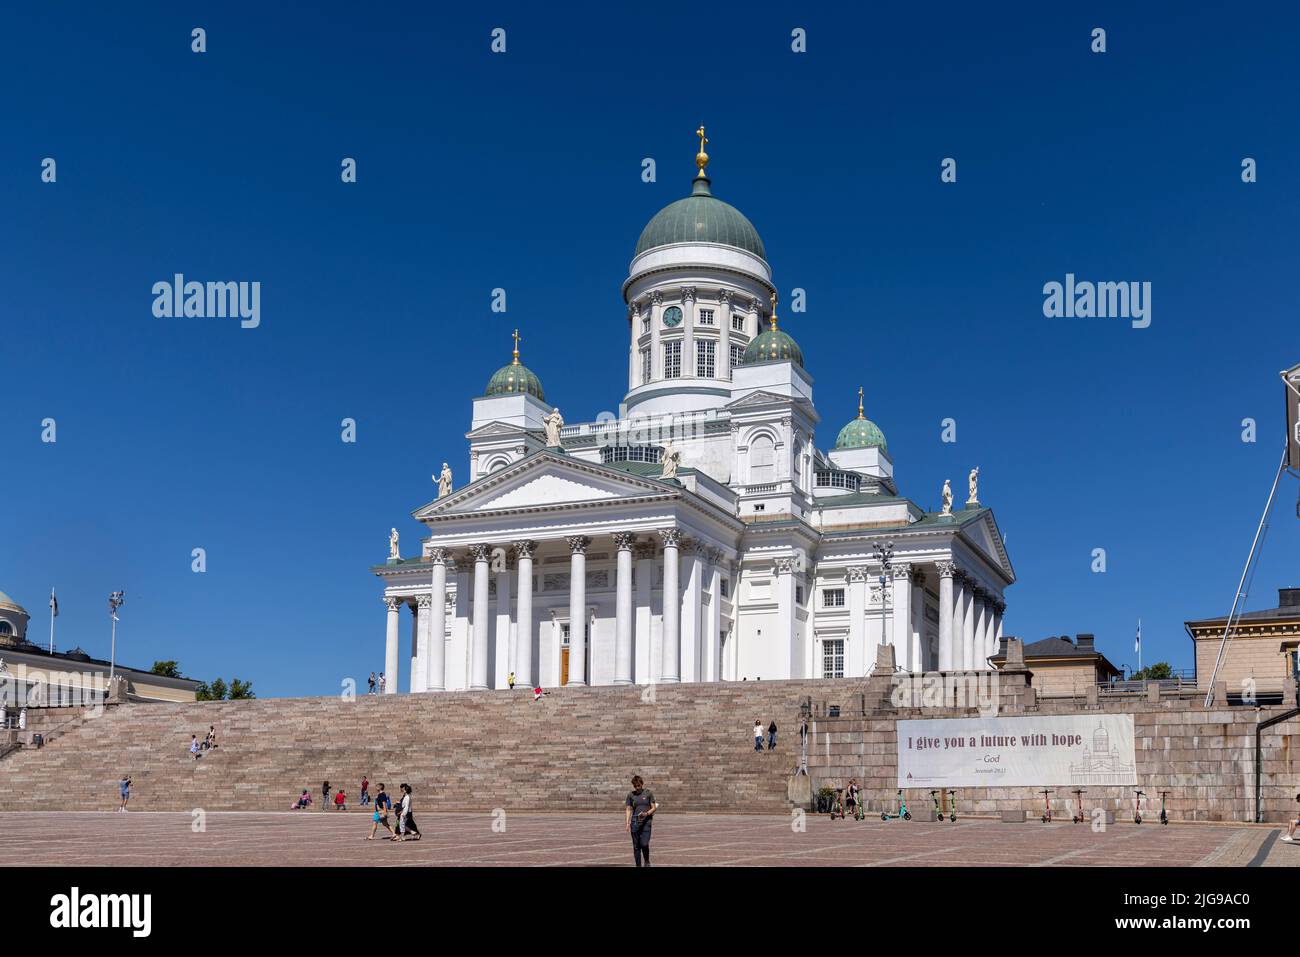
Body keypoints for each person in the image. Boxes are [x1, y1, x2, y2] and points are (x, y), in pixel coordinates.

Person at [625, 775, 658, 867]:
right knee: (636, 846)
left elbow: (654, 807)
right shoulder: (631, 795)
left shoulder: (648, 793)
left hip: (646, 822)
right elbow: (628, 809)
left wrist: (646, 814)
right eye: (635, 786)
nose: (637, 788)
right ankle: (638, 865)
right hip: (635, 822)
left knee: (644, 843)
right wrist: (627, 823)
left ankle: (646, 860)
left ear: (642, 784)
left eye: (638, 785)